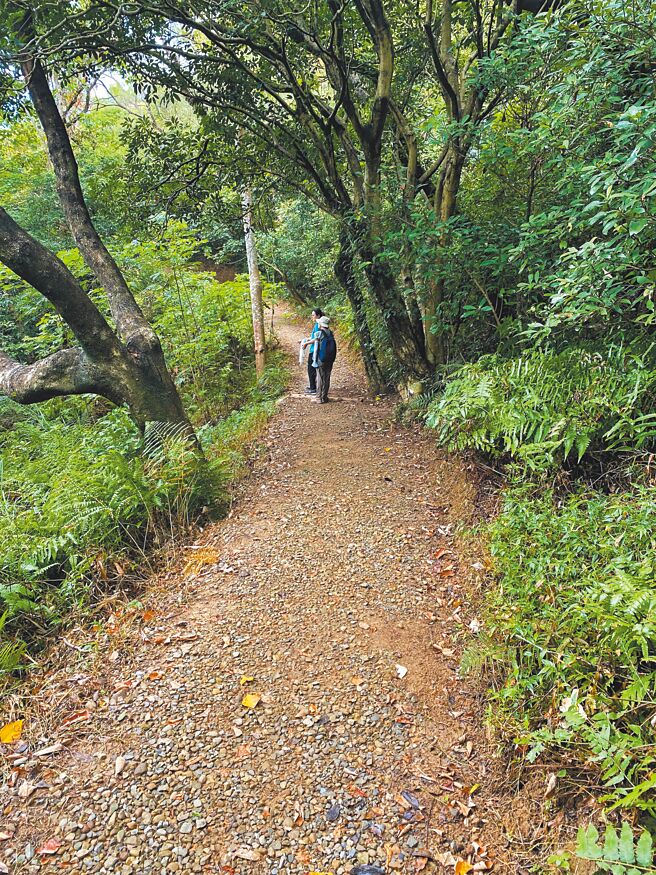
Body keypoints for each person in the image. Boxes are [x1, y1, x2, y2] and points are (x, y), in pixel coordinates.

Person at [312, 315, 337, 403]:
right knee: (327, 377)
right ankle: (324, 396)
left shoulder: (318, 334)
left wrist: (314, 360)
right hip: (330, 359)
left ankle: (319, 398)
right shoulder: (331, 333)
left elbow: (316, 349)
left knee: (320, 377)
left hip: (321, 359)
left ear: (321, 324)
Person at [301, 308, 323, 395]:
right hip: (314, 349)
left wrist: (307, 343)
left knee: (311, 369)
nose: (312, 317)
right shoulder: (317, 325)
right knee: (311, 369)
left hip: (315, 350)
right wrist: (305, 340)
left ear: (318, 315)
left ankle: (313, 388)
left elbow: (317, 338)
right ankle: (313, 386)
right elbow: (313, 337)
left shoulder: (318, 325)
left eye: (313, 315)